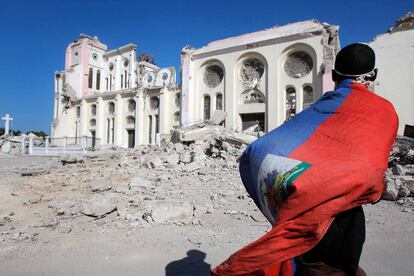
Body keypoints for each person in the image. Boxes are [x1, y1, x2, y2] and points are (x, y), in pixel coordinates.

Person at [212, 44, 398, 276]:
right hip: (346, 222)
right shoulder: (383, 112)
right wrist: (372, 188)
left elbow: (261, 149)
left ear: (333, 75)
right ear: (374, 74)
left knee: (313, 265)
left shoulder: (317, 110)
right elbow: (370, 171)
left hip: (310, 214)